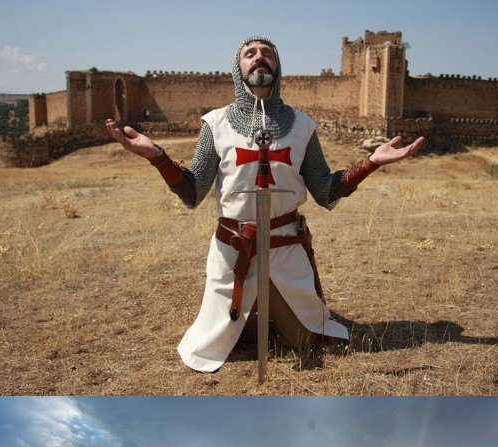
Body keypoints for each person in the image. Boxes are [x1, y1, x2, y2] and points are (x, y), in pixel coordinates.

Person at [105, 36, 425, 373]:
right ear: (238, 67)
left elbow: (326, 191)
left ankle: (278, 310)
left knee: (305, 339)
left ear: (278, 66)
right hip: (235, 251)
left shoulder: (302, 126)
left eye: (267, 54)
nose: (259, 59)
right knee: (214, 346)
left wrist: (371, 163)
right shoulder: (215, 124)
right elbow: (192, 191)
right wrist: (157, 156)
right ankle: (247, 313)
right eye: (250, 54)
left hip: (286, 251)